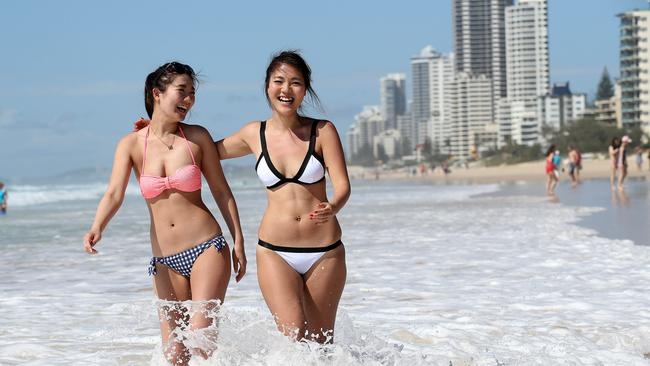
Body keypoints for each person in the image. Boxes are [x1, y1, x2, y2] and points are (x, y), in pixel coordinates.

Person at [83, 62, 246, 365]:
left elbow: (222, 191)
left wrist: (238, 239)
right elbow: (114, 193)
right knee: (175, 355)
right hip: (163, 260)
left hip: (207, 248)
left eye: (192, 94)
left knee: (201, 344)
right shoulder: (130, 145)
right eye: (182, 91)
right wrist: (97, 226)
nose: (189, 100)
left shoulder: (197, 138)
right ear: (157, 94)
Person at [215, 51, 350, 343]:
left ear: (305, 89)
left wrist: (334, 206)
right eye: (279, 81)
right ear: (267, 86)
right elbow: (204, 152)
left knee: (321, 343)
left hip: (324, 251)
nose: (286, 90)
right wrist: (160, 129)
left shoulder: (323, 131)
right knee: (293, 336)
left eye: (296, 83)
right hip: (275, 251)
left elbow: (343, 186)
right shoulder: (254, 133)